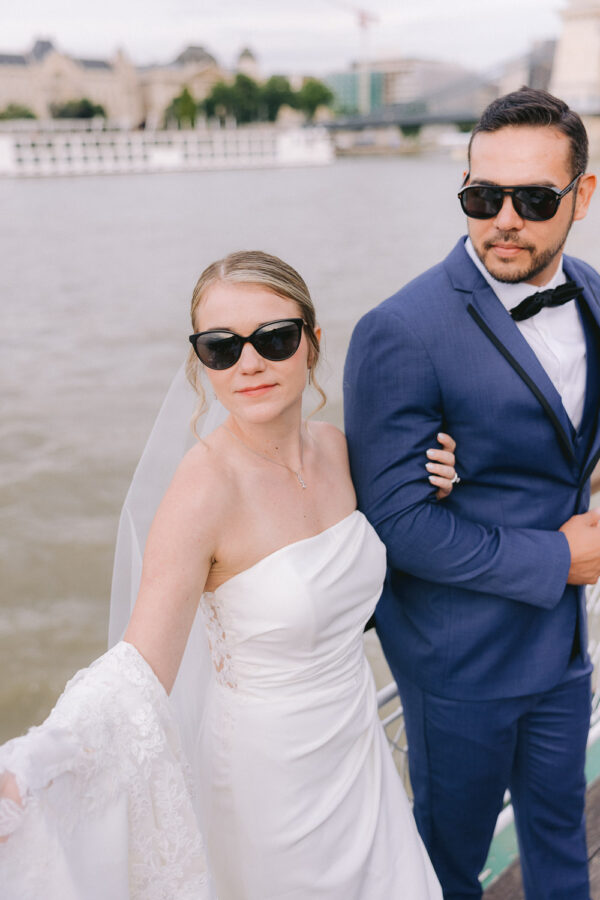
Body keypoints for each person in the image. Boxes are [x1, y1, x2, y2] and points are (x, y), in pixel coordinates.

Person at [0, 250, 458, 899]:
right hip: (267, 785)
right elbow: (141, 663)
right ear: (200, 362)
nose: (250, 363)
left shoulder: (338, 449)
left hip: (357, 750)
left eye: (274, 339)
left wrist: (438, 477)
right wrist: (35, 761)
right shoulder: (203, 489)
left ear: (312, 344)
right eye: (221, 347)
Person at [344, 86, 600, 900]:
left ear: (582, 196)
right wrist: (561, 556)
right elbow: (399, 523)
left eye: (532, 199)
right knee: (450, 866)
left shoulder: (594, 293)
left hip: (564, 655)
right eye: (482, 197)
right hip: (459, 665)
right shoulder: (402, 330)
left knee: (561, 838)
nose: (503, 220)